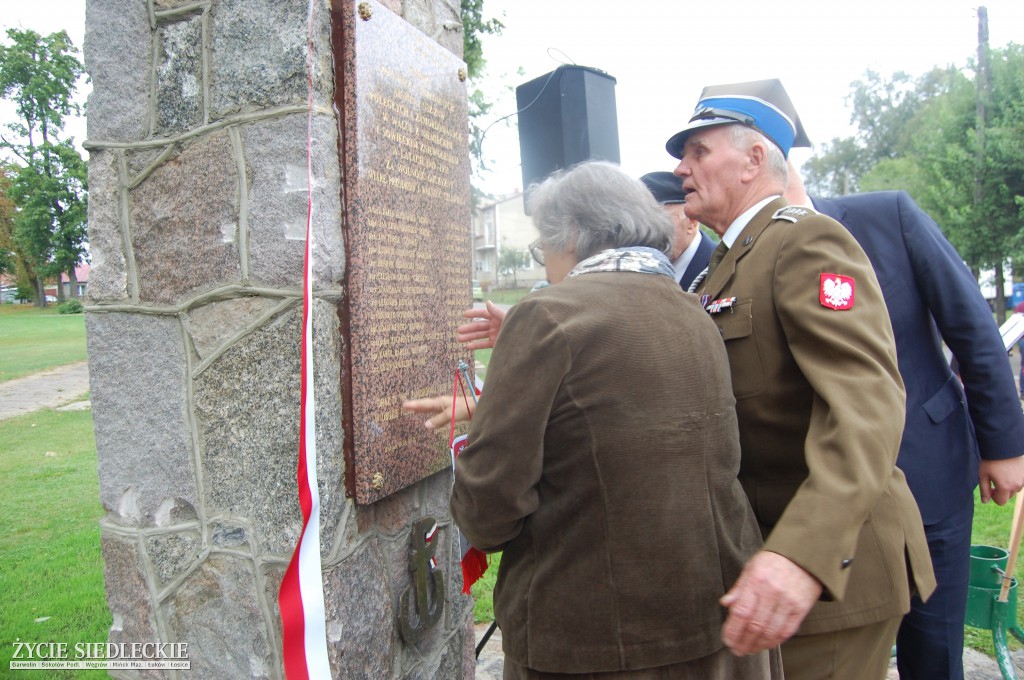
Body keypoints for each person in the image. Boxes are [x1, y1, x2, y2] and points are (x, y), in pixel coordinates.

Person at [408, 161, 778, 679]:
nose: (545, 266)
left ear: (574, 237)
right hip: (716, 621)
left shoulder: (547, 316)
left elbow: (490, 505)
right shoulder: (694, 309)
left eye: (543, 248)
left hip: (595, 639)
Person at [664, 78, 935, 680]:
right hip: (769, 560)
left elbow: (867, 409)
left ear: (754, 158)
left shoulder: (804, 241)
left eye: (698, 151)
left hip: (828, 571)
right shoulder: (728, 262)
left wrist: (801, 556)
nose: (681, 168)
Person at [784, 170, 1024, 680]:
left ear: (761, 157)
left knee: (934, 653)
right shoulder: (746, 258)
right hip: (817, 499)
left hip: (926, 469)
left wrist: (1003, 445)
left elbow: (972, 328)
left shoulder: (886, 217)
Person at [640, 170, 716, 290]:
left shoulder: (722, 266)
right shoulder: (638, 271)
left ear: (692, 221)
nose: (646, 235)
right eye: (640, 224)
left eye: (658, 222)